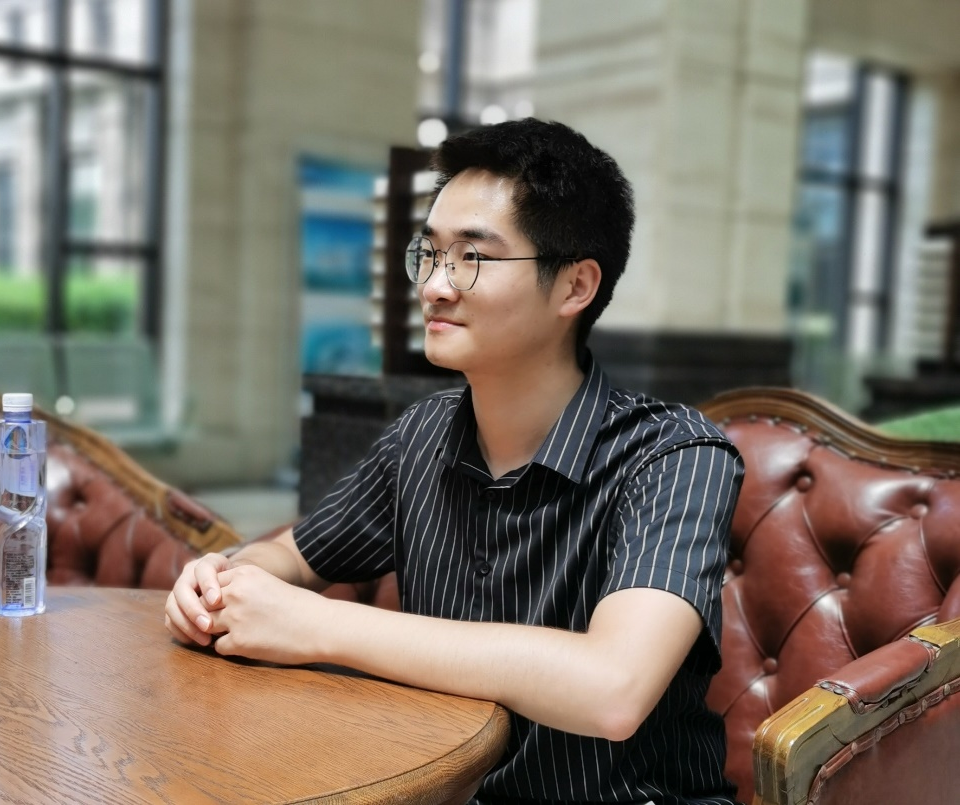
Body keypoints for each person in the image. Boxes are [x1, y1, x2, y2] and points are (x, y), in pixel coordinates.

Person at [165, 118, 744, 805]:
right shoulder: (422, 435)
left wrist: (315, 625)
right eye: (430, 253)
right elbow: (289, 556)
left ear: (575, 287)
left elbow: (612, 688)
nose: (435, 286)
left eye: (472, 257)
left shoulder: (675, 456)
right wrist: (220, 584)